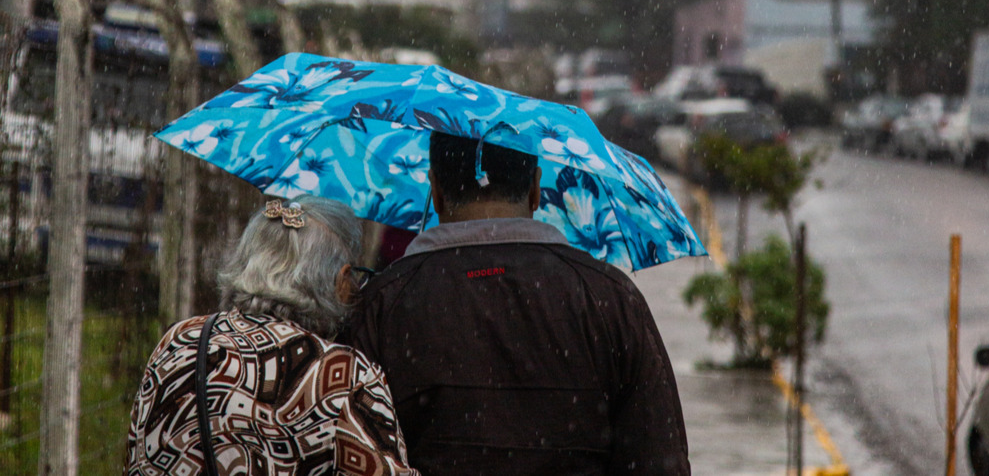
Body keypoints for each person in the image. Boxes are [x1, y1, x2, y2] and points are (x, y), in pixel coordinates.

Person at [350, 132, 690, 475]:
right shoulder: (610, 299)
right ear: (535, 189)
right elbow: (659, 458)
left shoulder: (382, 304)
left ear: (435, 190)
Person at [124, 195, 419, 476]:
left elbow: (138, 458)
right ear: (340, 280)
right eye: (355, 276)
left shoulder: (181, 340)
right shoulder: (345, 377)